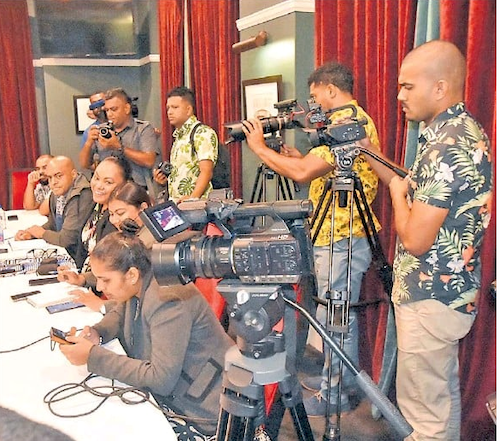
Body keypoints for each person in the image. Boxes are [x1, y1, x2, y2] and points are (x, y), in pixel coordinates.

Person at [360, 40, 492, 440]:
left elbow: (416, 238)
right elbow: (417, 189)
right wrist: (372, 157)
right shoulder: (458, 132)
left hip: (430, 297)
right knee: (440, 399)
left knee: (424, 419)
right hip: (446, 296)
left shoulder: (445, 146)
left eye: (407, 87)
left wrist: (398, 198)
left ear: (439, 87)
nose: (399, 96)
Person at [243, 61, 381, 417]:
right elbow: (316, 169)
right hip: (336, 234)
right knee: (336, 315)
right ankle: (341, 386)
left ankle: (334, 396)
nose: (314, 103)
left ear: (330, 90)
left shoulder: (347, 123)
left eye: (315, 94)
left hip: (343, 237)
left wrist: (259, 148)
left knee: (334, 317)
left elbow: (304, 173)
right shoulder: (353, 120)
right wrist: (295, 157)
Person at [58, 232, 234, 437]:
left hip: (203, 415)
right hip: (179, 399)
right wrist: (98, 333)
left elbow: (160, 379)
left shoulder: (169, 300)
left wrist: (93, 357)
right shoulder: (144, 280)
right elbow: (121, 311)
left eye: (105, 280)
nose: (99, 287)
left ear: (131, 274)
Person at [59, 181, 154, 313]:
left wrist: (102, 305)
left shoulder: (149, 244)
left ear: (143, 208)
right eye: (111, 214)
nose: (115, 220)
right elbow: (115, 266)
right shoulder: (131, 236)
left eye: (120, 213)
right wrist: (82, 279)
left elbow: (141, 297)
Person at [79, 87, 161, 195]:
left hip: (136, 191)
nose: (109, 114)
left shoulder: (143, 129)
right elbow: (84, 164)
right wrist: (89, 142)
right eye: (107, 110)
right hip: (108, 193)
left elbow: (149, 160)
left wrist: (118, 147)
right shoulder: (102, 130)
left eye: (114, 109)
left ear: (127, 108)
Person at [15, 156, 93, 267]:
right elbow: (53, 224)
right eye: (50, 178)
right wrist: (32, 233)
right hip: (65, 253)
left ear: (73, 174)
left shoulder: (81, 195)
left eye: (59, 176)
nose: (53, 183)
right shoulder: (58, 192)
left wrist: (41, 233)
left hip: (79, 260)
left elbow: (67, 239)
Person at [153, 86, 218, 202]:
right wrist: (164, 181)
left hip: (197, 206)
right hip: (177, 204)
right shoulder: (179, 137)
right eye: (168, 108)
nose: (170, 112)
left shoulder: (202, 133)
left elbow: (206, 171)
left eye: (175, 107)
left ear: (188, 110)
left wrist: (193, 198)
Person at [78, 91, 107, 168]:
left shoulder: (119, 123)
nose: (99, 107)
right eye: (95, 104)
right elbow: (84, 164)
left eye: (101, 102)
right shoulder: (89, 131)